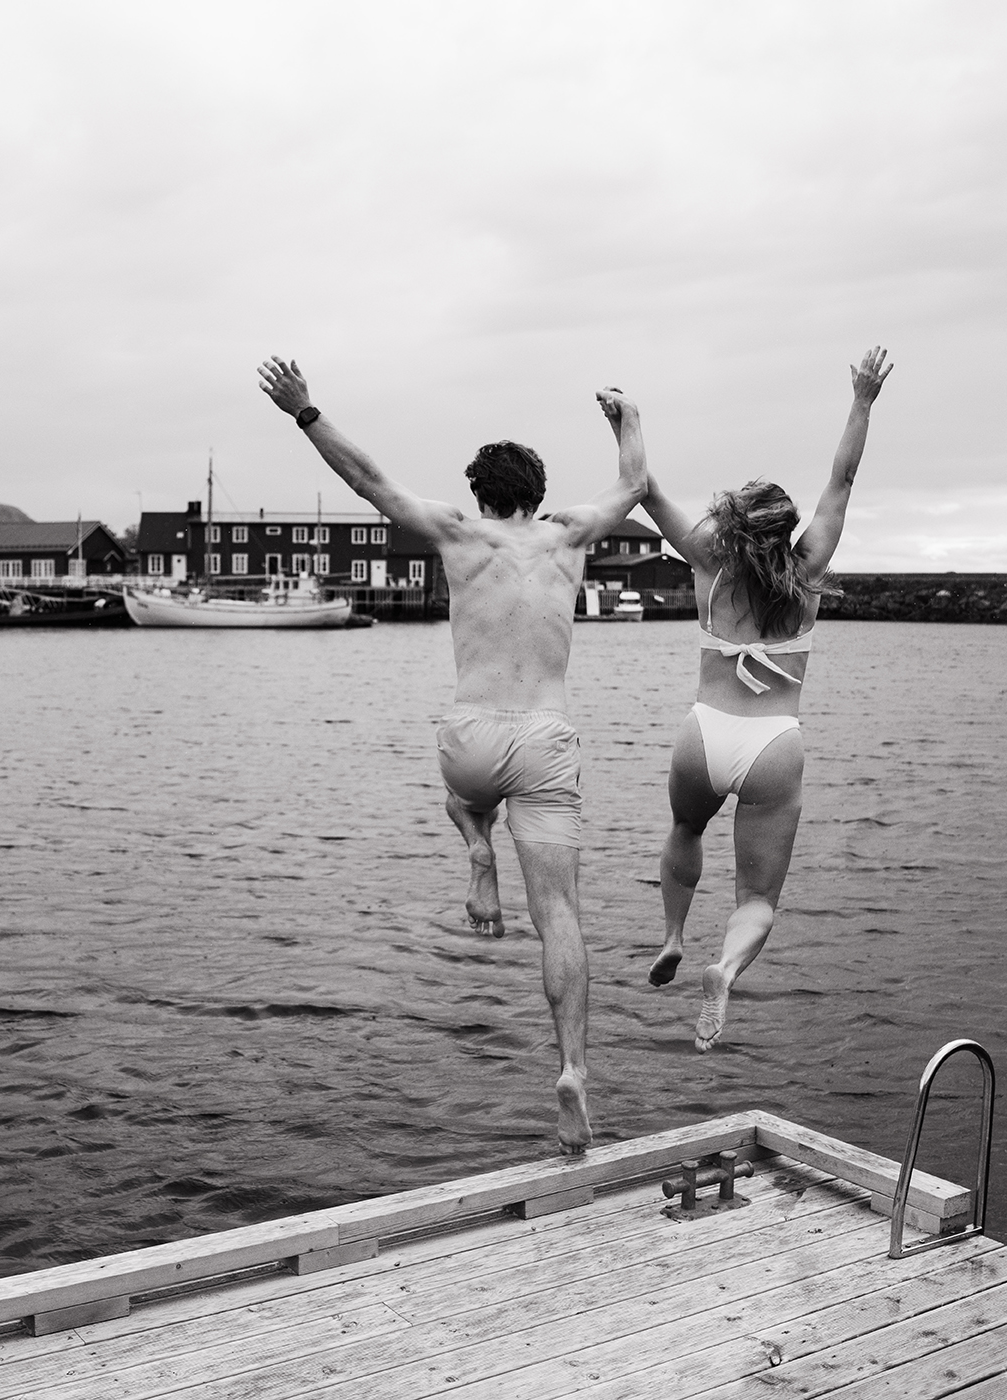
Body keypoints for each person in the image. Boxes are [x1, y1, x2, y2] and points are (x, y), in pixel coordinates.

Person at [257, 355, 649, 1154]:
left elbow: (367, 479)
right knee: (560, 917)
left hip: (470, 739)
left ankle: (476, 850)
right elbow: (636, 485)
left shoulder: (456, 533)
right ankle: (572, 1066)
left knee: (463, 795)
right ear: (537, 494)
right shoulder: (568, 534)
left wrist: (305, 412)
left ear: (479, 494)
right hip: (543, 738)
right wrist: (624, 419)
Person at [637, 347, 892, 1051]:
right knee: (756, 899)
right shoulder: (809, 571)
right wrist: (862, 399)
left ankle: (672, 936)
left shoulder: (707, 565)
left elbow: (643, 487)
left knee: (685, 831)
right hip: (773, 744)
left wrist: (624, 421)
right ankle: (723, 967)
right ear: (784, 530)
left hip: (704, 731)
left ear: (732, 523)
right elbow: (842, 478)